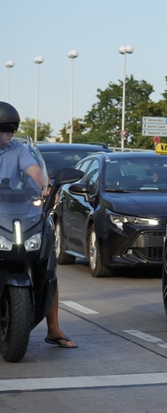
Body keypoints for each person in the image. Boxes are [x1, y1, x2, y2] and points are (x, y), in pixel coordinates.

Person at [0, 101, 77, 348]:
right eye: (4, 128)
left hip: (17, 212)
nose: (9, 132)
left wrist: (45, 187)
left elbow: (34, 170)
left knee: (47, 267)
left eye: (12, 127)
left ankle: (53, 329)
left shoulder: (19, 149)